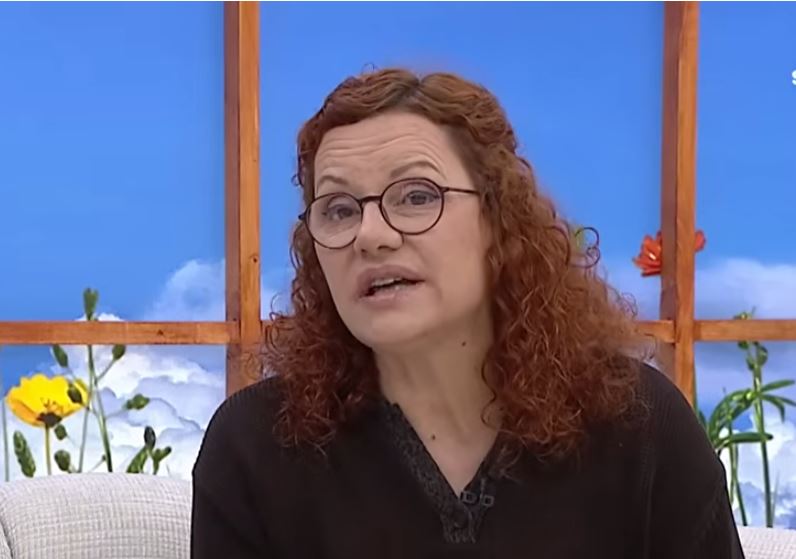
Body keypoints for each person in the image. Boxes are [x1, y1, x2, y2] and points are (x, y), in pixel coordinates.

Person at [190, 67, 745, 558]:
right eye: (338, 209)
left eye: (416, 196)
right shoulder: (254, 446)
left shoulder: (641, 425)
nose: (371, 235)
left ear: (497, 221)